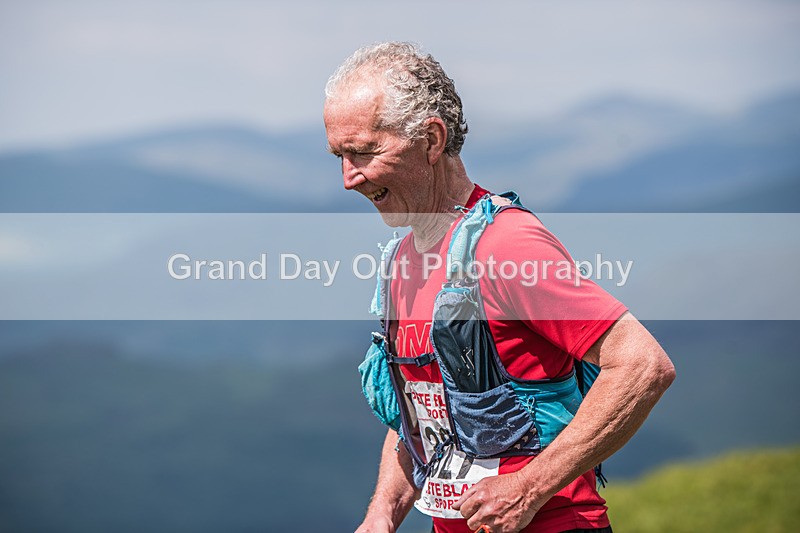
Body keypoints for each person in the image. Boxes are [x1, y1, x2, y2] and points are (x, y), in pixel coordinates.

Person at [323, 42, 675, 533]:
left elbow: (642, 365)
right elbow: (422, 408)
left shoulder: (505, 246)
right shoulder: (401, 261)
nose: (347, 178)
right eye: (339, 155)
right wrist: (383, 514)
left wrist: (529, 487)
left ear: (431, 139)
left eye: (363, 152)